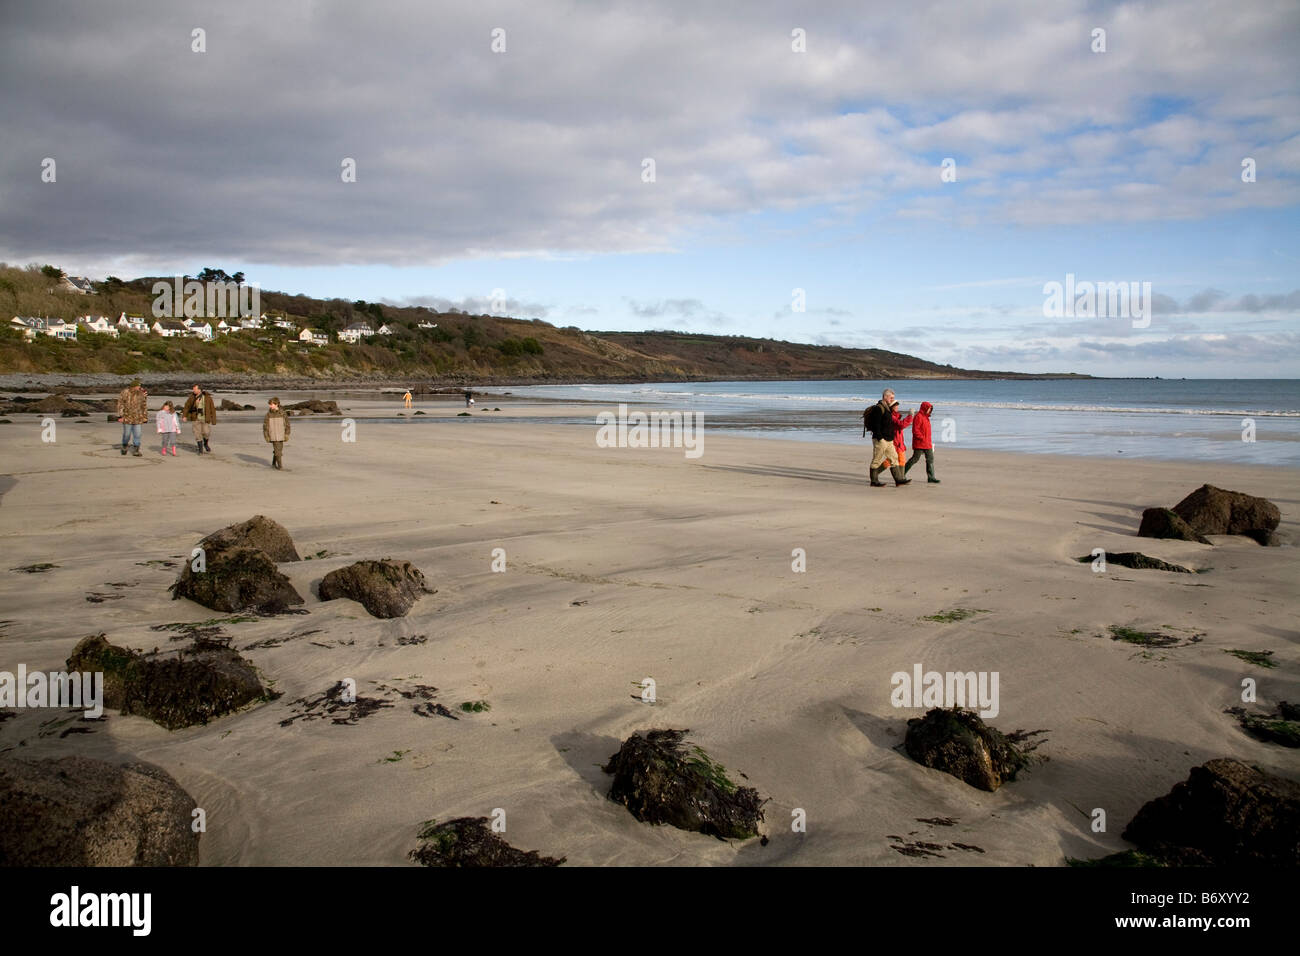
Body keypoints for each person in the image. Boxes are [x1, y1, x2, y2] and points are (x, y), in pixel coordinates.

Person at [862, 387, 910, 486]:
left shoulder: (887, 408)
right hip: (881, 439)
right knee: (877, 459)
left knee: (894, 458)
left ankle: (898, 480)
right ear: (885, 397)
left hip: (889, 440)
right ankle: (874, 481)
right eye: (891, 398)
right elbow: (877, 425)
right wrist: (880, 438)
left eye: (893, 398)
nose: (892, 400)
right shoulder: (878, 408)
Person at [904, 401, 940, 483]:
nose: (929, 410)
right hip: (919, 443)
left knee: (930, 459)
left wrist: (928, 441)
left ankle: (931, 477)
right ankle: (902, 473)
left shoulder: (926, 418)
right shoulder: (918, 417)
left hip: (927, 443)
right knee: (915, 459)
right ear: (924, 408)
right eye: (929, 408)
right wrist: (922, 438)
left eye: (931, 409)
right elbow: (915, 430)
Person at [116, 378, 149, 457]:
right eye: (138, 386)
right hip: (127, 417)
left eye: (140, 386)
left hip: (138, 417)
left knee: (137, 434)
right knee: (127, 434)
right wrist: (120, 416)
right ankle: (124, 446)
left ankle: (136, 450)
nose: (139, 387)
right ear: (134, 386)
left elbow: (144, 405)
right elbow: (120, 404)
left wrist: (145, 416)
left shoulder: (141, 393)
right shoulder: (125, 392)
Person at [182, 383, 217, 455]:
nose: (193, 390)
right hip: (195, 418)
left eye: (194, 389)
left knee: (206, 432)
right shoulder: (192, 397)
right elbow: (187, 406)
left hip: (205, 418)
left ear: (199, 390)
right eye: (193, 389)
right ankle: (200, 449)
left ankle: (205, 444)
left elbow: (212, 409)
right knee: (197, 434)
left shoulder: (207, 397)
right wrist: (184, 416)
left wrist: (214, 420)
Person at [262, 396, 290, 470]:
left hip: (281, 435)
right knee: (278, 452)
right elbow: (265, 427)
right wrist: (266, 436)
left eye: (271, 404)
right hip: (273, 435)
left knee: (279, 450)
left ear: (276, 404)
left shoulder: (283, 413)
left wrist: (287, 434)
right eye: (270, 404)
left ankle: (274, 463)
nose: (270, 406)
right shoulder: (268, 415)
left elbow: (287, 425)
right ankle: (280, 467)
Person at [891, 401, 914, 473]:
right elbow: (901, 425)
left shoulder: (895, 416)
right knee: (900, 460)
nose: (897, 407)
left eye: (897, 405)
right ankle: (901, 477)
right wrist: (910, 416)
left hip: (898, 441)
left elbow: (901, 424)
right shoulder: (892, 416)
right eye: (896, 406)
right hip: (896, 441)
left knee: (895, 460)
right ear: (892, 407)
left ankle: (901, 477)